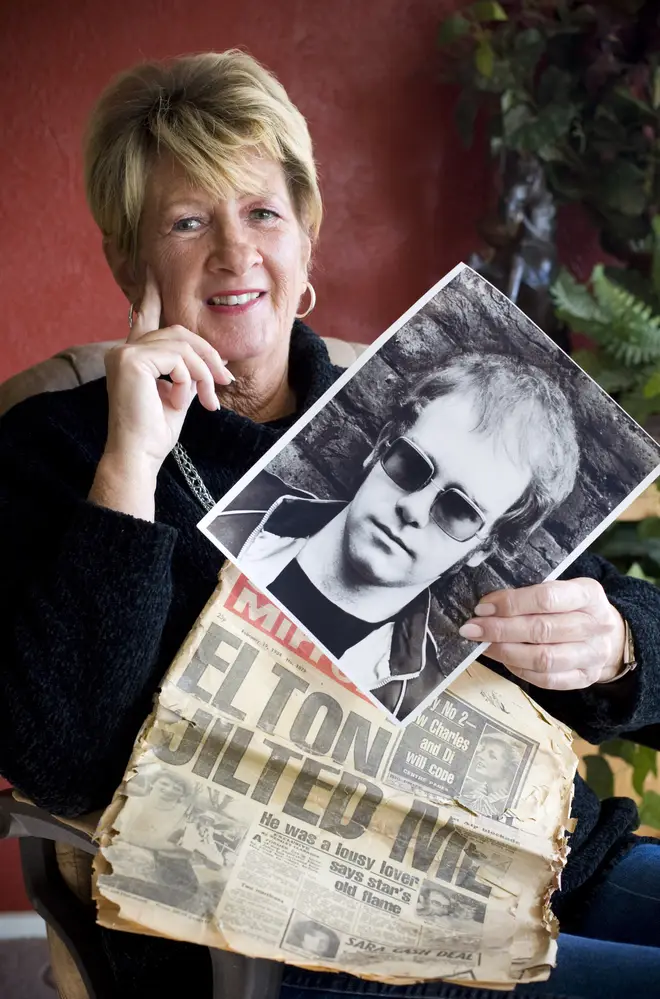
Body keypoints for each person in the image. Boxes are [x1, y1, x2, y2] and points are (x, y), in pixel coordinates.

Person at [1, 48, 660, 999]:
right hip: (299, 931)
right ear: (127, 259)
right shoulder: (57, 447)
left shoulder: (416, 409)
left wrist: (617, 645)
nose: (236, 256)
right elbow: (60, 758)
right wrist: (131, 467)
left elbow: (623, 639)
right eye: (189, 223)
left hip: (541, 863)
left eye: (263, 213)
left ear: (306, 232)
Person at [207, 353, 580, 719]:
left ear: (484, 547)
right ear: (382, 446)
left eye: (459, 511)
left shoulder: (421, 696)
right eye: (412, 464)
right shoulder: (231, 509)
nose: (413, 510)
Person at [459, 731, 525, 819]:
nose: (480, 755)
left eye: (492, 756)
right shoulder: (470, 793)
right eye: (482, 750)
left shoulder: (510, 803)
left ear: (508, 765)